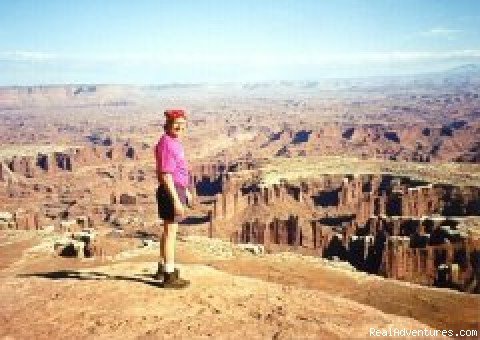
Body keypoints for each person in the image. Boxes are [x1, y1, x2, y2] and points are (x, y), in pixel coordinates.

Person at [154, 109, 192, 289]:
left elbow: (177, 170)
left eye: (183, 124)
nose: (180, 127)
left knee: (167, 231)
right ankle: (169, 276)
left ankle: (163, 267)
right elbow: (167, 175)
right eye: (176, 123)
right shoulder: (168, 143)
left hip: (177, 189)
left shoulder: (173, 141)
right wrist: (176, 200)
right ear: (168, 124)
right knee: (171, 234)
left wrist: (186, 191)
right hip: (171, 191)